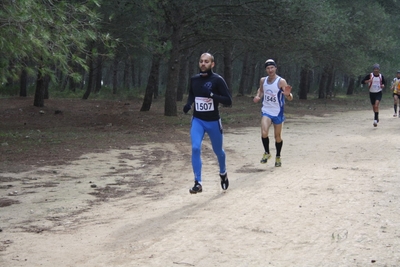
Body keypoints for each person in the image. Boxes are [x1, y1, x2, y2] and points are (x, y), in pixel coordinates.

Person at [183, 53, 232, 194]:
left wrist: (211, 95)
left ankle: (223, 172)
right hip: (198, 120)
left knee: (218, 151)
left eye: (206, 61)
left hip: (213, 122)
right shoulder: (194, 79)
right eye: (201, 61)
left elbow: (228, 101)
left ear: (212, 64)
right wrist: (188, 104)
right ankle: (198, 182)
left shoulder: (218, 80)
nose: (203, 64)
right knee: (195, 148)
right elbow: (192, 94)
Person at [253, 59, 293, 167]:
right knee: (264, 132)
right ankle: (267, 153)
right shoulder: (263, 80)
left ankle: (278, 156)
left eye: (272, 67)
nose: (270, 70)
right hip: (266, 110)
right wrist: (258, 96)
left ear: (275, 68)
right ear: (266, 69)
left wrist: (288, 94)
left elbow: (290, 98)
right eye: (268, 68)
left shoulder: (281, 81)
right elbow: (261, 90)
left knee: (277, 137)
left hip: (277, 112)